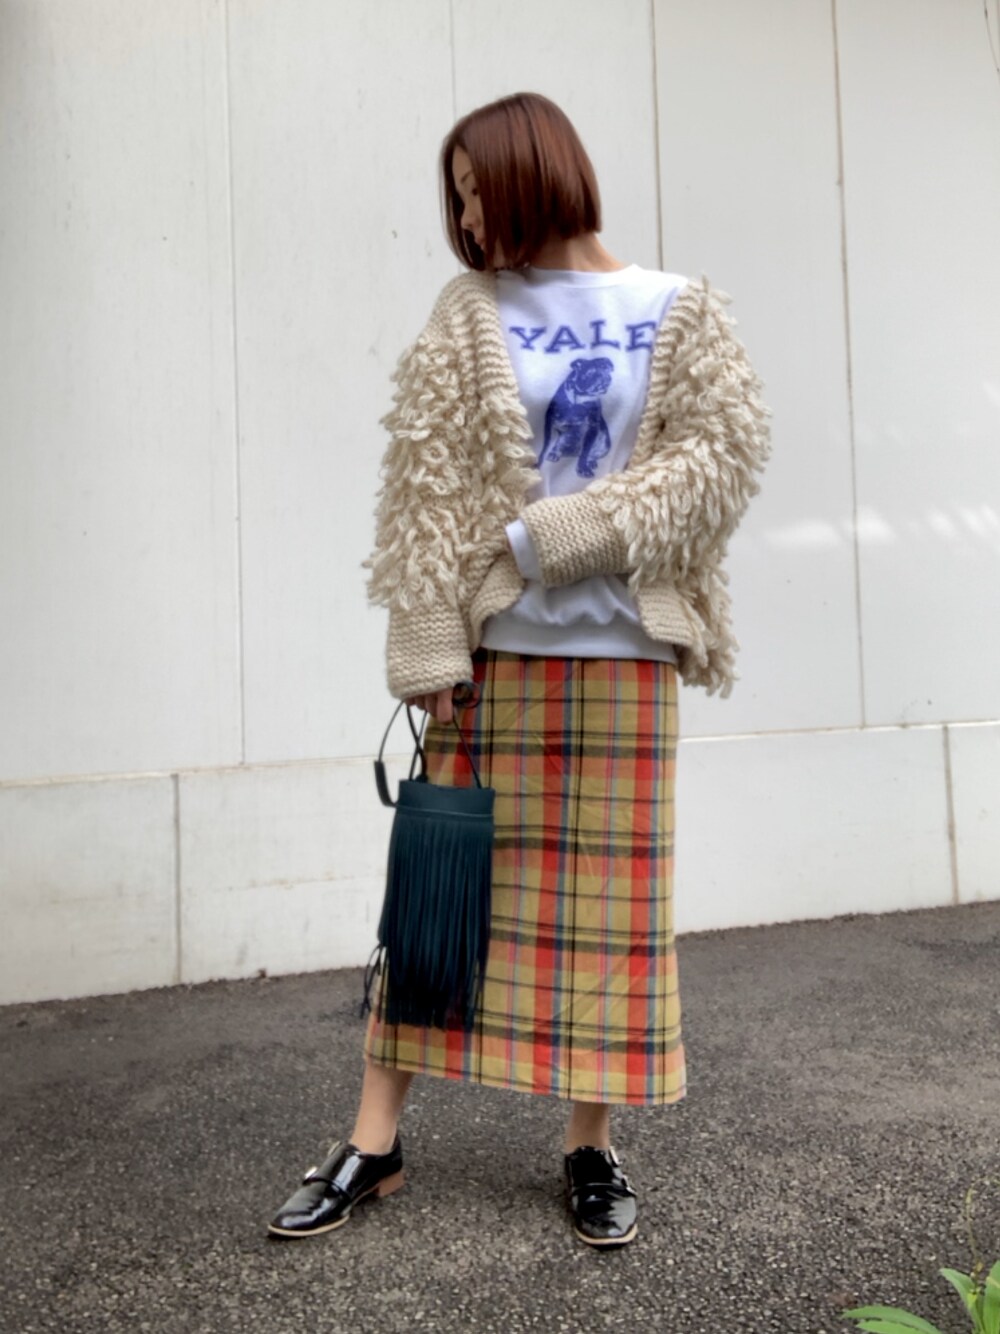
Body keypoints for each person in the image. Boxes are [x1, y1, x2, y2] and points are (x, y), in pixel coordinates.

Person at [268, 91, 770, 1248]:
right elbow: (424, 486)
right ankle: (373, 1143)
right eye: (454, 199)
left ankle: (589, 1144)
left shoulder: (675, 307)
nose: (465, 216)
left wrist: (559, 535)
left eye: (475, 190)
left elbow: (720, 461)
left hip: (622, 661)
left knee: (610, 920)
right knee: (432, 906)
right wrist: (425, 640)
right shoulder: (471, 310)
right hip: (491, 664)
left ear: (532, 173)